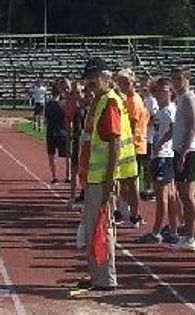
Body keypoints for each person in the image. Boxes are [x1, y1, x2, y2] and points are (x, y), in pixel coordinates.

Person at [71, 59, 135, 295]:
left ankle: (105, 278)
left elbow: (115, 143)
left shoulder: (108, 102)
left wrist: (110, 179)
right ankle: (99, 275)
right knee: (94, 228)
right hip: (94, 178)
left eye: (94, 77)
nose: (89, 82)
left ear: (106, 77)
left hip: (101, 179)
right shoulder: (99, 101)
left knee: (101, 228)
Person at [138, 76, 176, 243]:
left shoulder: (170, 110)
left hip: (164, 155)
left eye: (164, 91)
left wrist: (161, 142)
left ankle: (157, 231)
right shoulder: (161, 111)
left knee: (162, 196)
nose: (161, 94)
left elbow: (174, 128)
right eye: (158, 91)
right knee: (168, 194)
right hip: (158, 154)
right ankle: (172, 229)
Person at [171, 66, 195, 250]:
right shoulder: (181, 98)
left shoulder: (188, 99)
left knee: (186, 195)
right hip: (185, 148)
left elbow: (191, 127)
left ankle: (190, 236)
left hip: (188, 150)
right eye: (174, 78)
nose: (176, 82)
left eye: (179, 78)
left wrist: (183, 153)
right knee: (191, 195)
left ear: (187, 78)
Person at [115, 68, 148, 227]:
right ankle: (126, 211)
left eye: (126, 82)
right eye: (120, 82)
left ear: (132, 83)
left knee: (131, 183)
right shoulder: (126, 99)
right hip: (128, 146)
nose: (123, 85)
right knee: (123, 182)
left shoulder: (134, 101)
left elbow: (132, 126)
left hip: (133, 146)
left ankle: (135, 214)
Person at [44, 80, 69, 184]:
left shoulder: (49, 104)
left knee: (52, 155)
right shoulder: (63, 103)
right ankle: (68, 175)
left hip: (51, 131)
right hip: (62, 131)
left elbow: (45, 120)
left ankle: (54, 176)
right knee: (67, 155)